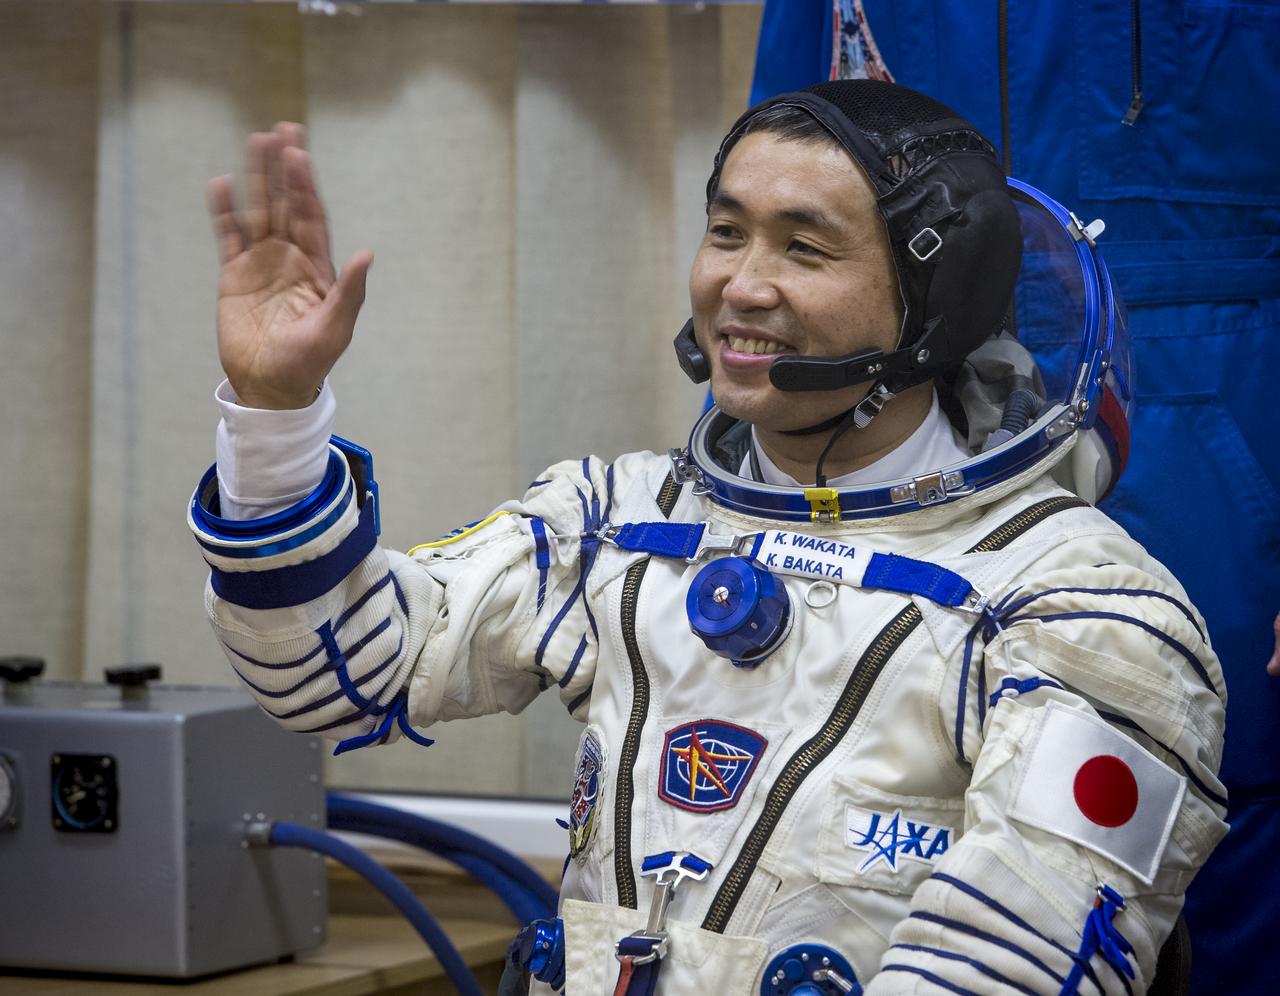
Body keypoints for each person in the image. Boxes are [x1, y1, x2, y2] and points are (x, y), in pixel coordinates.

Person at [189, 81, 1226, 994]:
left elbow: (1009, 961)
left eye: (802, 246)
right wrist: (275, 416)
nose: (740, 284)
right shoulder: (617, 525)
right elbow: (332, 672)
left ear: (932, 301)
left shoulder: (1077, 605)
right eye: (725, 232)